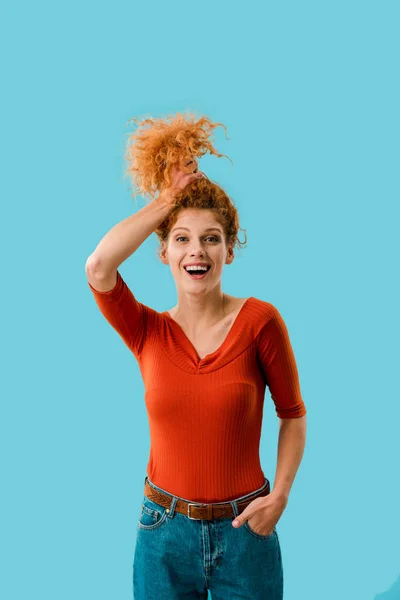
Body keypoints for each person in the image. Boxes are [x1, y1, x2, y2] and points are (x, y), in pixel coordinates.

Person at [85, 112, 307, 599]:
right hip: (162, 534)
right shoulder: (146, 329)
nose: (197, 252)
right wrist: (167, 200)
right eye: (182, 238)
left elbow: (292, 414)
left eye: (211, 238)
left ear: (229, 249)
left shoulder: (260, 322)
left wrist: (281, 495)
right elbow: (99, 266)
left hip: (247, 531)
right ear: (163, 251)